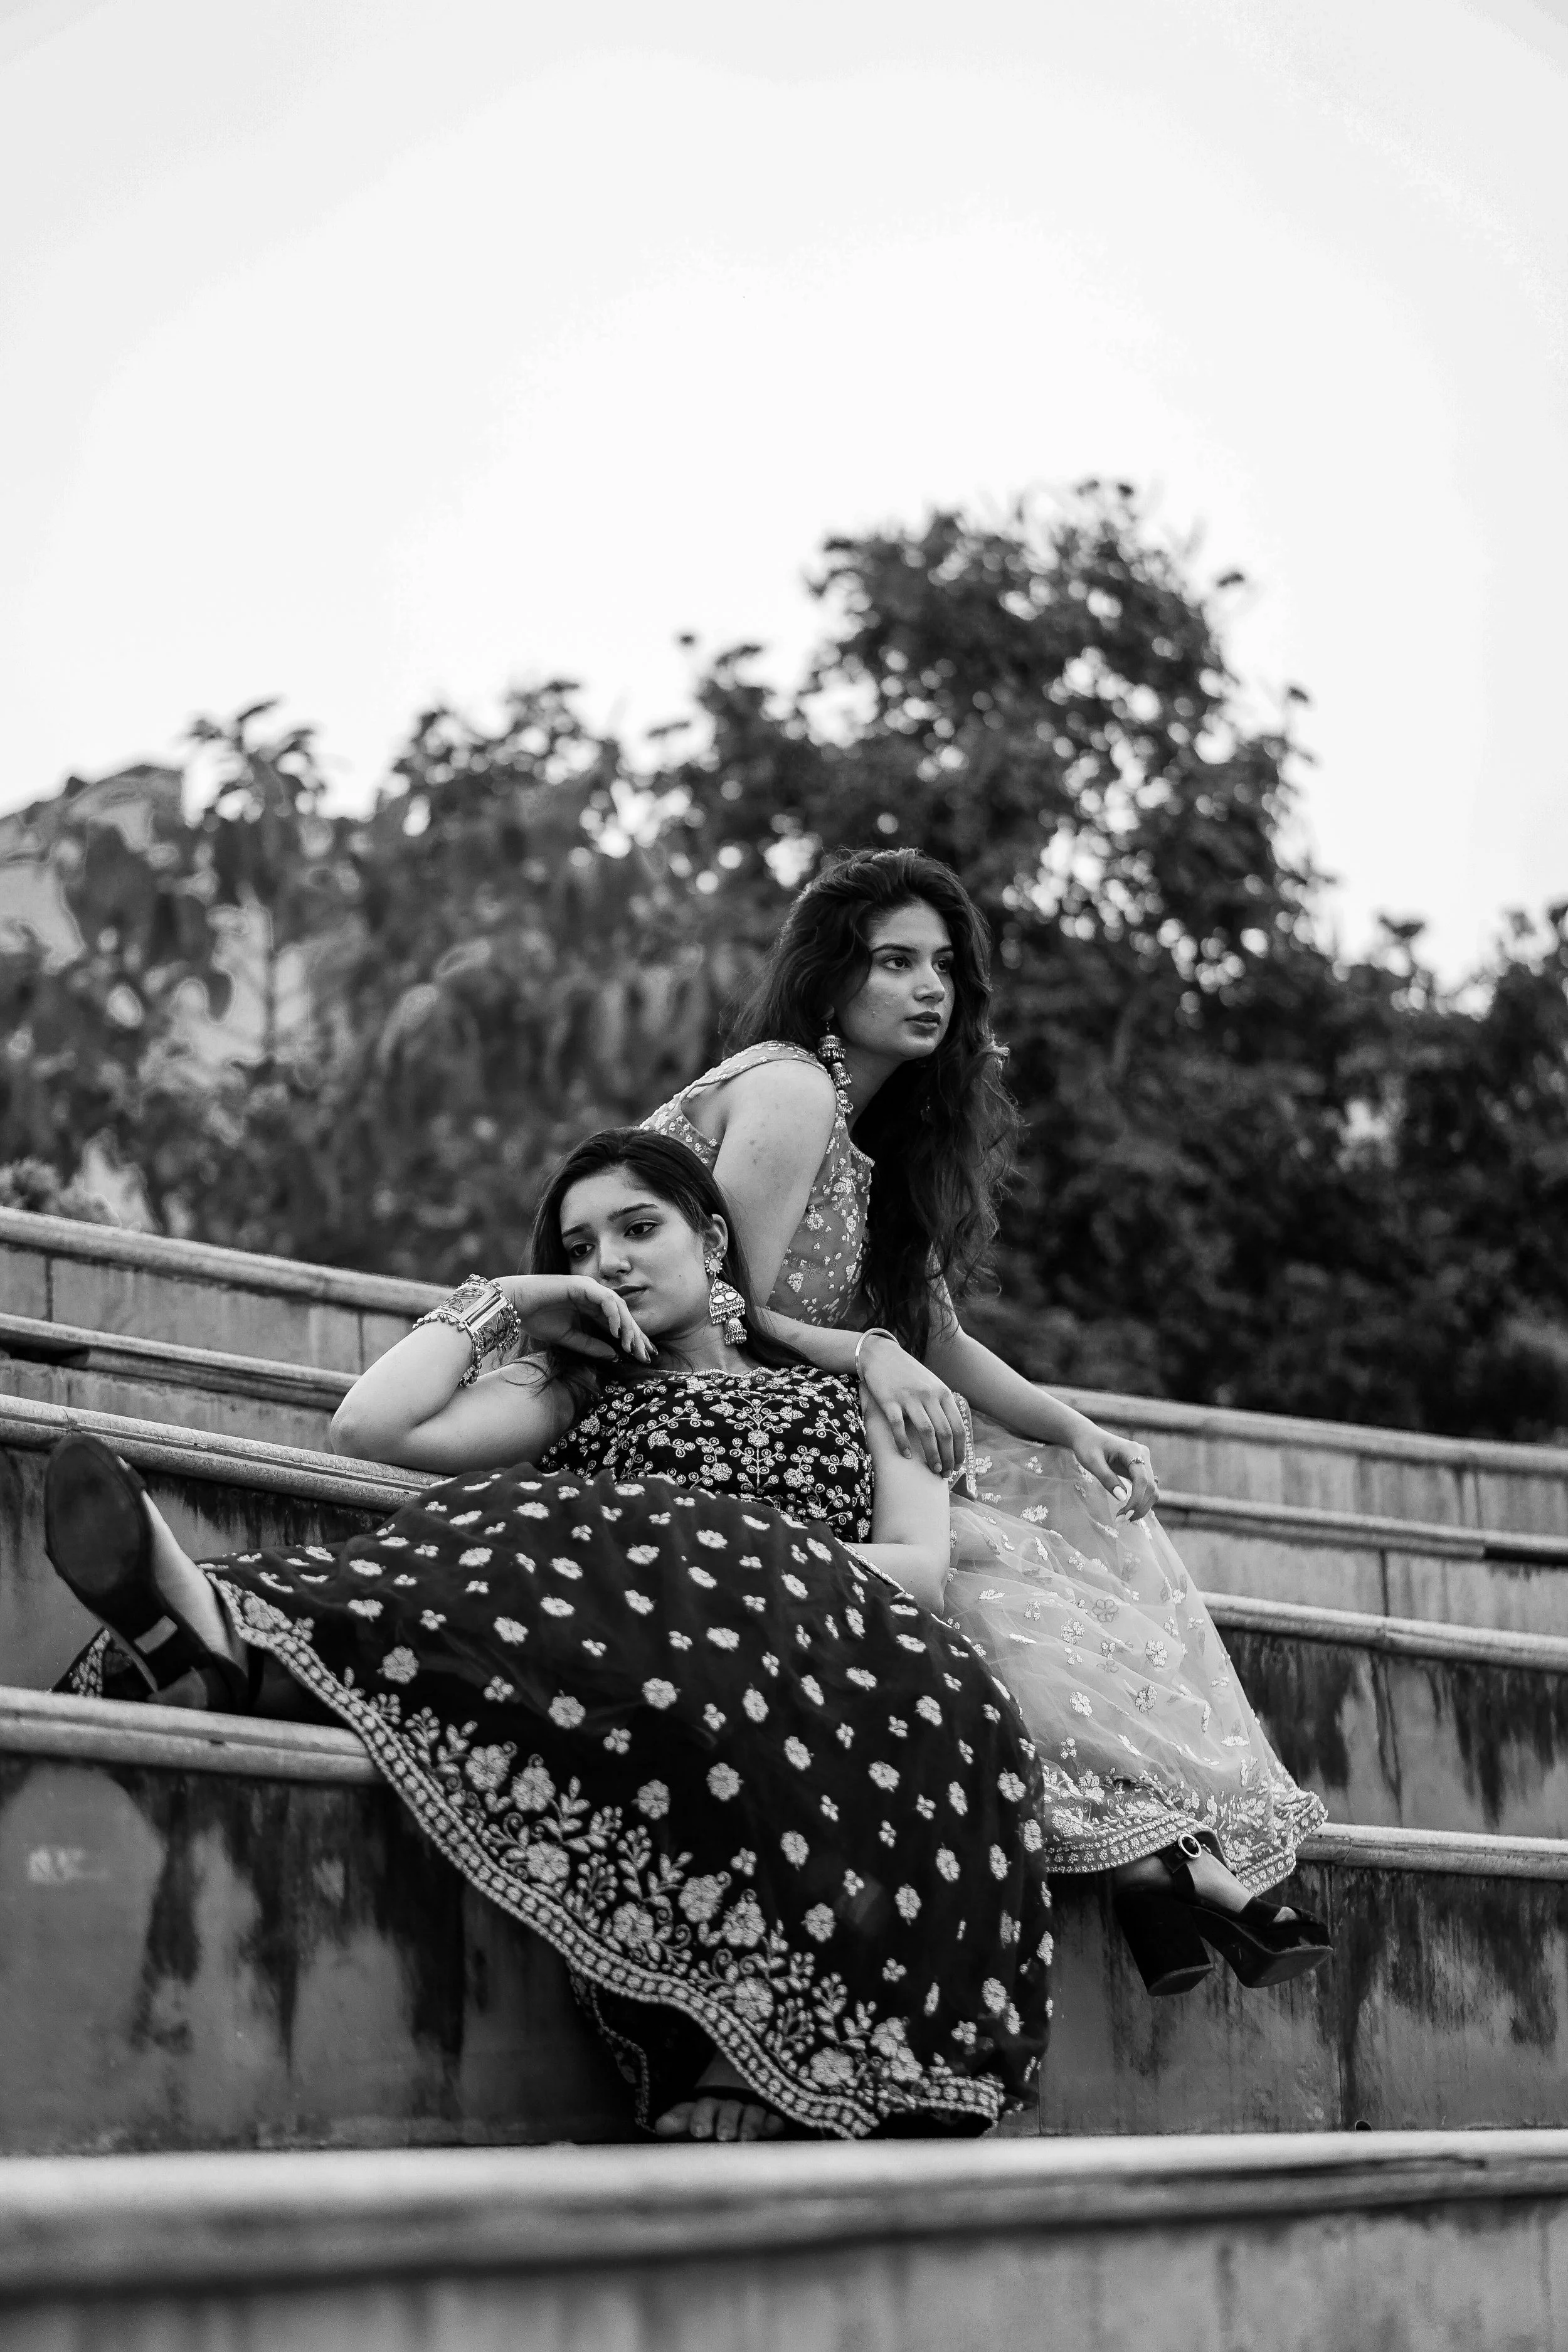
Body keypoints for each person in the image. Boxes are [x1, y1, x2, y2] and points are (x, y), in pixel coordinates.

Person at [45, 1130, 1052, 2143]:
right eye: (577, 1247)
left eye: (637, 1228)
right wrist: (512, 1302)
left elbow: (919, 1564)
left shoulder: (858, 1391)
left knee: (625, 1565)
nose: (605, 1261)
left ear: (711, 1237)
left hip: (833, 1640)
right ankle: (229, 1642)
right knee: (490, 1537)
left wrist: (730, 1556)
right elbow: (366, 1428)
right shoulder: (582, 1388)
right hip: (633, 1635)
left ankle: (758, 2044)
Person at [644, 848, 1329, 1997]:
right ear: (829, 978)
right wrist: (871, 1352)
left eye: (946, 967)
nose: (931, 989)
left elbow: (939, 1337)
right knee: (988, 1555)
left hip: (801, 1408)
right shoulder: (791, 1087)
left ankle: (1168, 1865)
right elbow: (725, 1309)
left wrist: (1074, 1429)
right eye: (895, 962)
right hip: (697, 1409)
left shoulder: (884, 1129)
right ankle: (1178, 1867)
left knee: (1063, 1516)